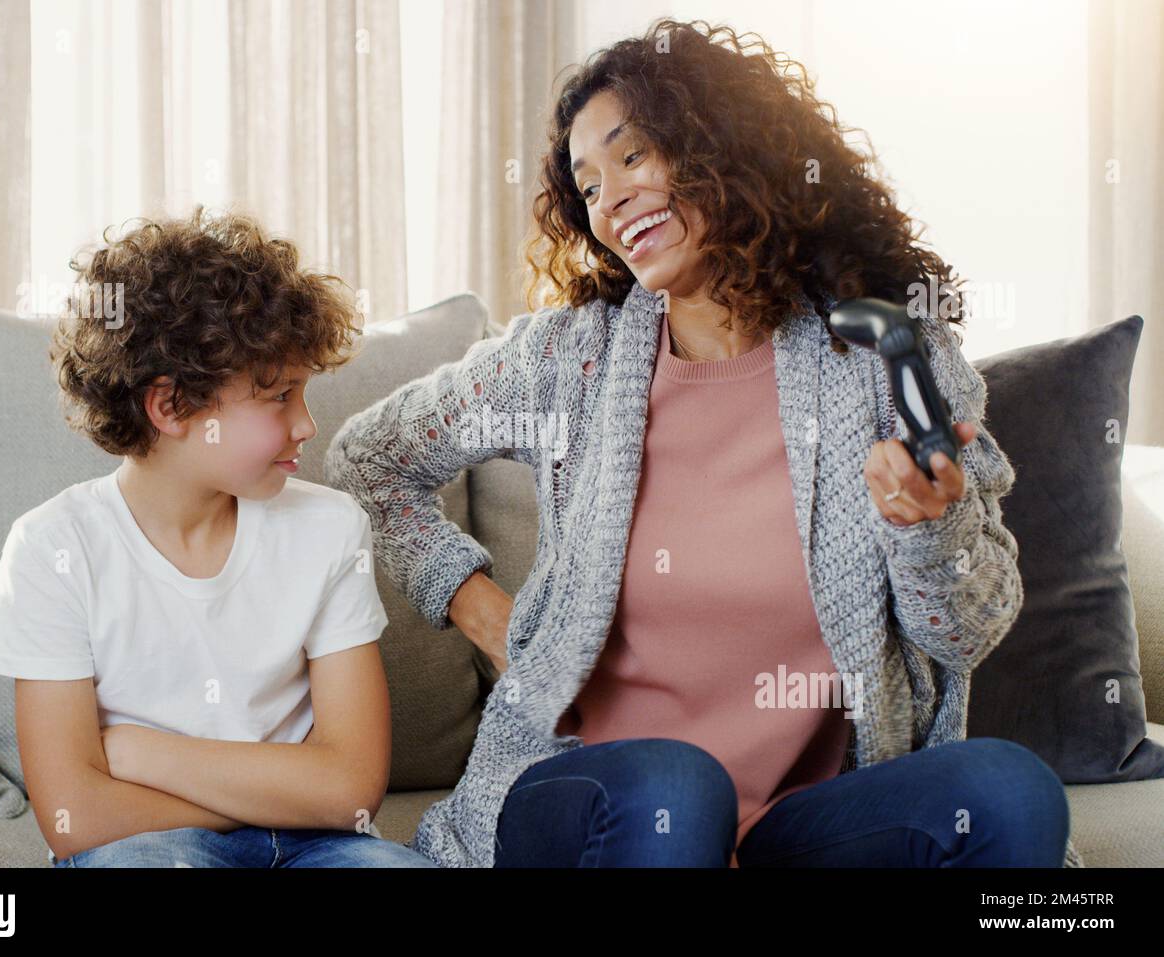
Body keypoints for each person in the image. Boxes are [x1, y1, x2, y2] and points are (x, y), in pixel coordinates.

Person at [325, 19, 1081, 868]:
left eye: (634, 155)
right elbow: (368, 457)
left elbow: (968, 631)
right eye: (588, 185)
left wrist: (928, 529)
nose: (608, 199)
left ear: (726, 148)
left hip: (795, 829)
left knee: (1010, 793)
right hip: (590, 802)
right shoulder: (567, 361)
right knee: (677, 792)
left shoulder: (881, 361)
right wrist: (485, 612)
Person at [0, 207, 435, 868]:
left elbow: (351, 790)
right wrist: (282, 789)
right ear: (170, 407)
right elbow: (77, 816)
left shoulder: (329, 528)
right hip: (144, 846)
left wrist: (140, 755)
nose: (307, 425)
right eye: (279, 396)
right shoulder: (52, 548)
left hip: (320, 847)